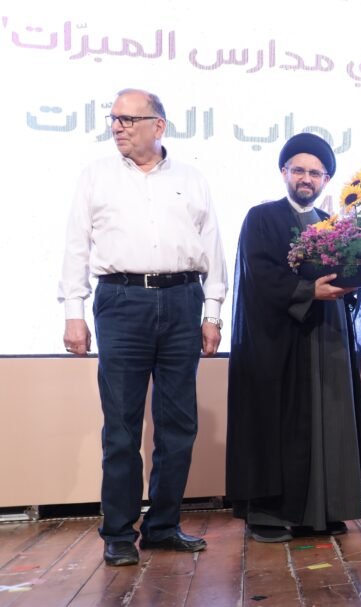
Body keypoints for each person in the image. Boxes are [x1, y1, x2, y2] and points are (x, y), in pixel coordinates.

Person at [58, 88, 227, 566]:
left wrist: (212, 312)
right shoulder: (96, 176)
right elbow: (75, 246)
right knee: (121, 426)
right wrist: (73, 311)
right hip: (121, 300)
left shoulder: (191, 179)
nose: (118, 127)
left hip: (182, 299)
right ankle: (117, 532)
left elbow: (212, 248)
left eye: (128, 119)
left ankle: (163, 526)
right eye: (114, 119)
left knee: (178, 425)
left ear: (159, 125)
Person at [225, 133, 361, 543]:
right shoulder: (262, 217)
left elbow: (347, 278)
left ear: (326, 179)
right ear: (284, 172)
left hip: (324, 339)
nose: (306, 179)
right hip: (278, 343)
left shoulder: (333, 224)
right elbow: (259, 277)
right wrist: (308, 291)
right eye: (299, 170)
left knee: (328, 421)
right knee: (277, 425)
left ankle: (322, 511)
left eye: (315, 173)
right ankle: (270, 514)